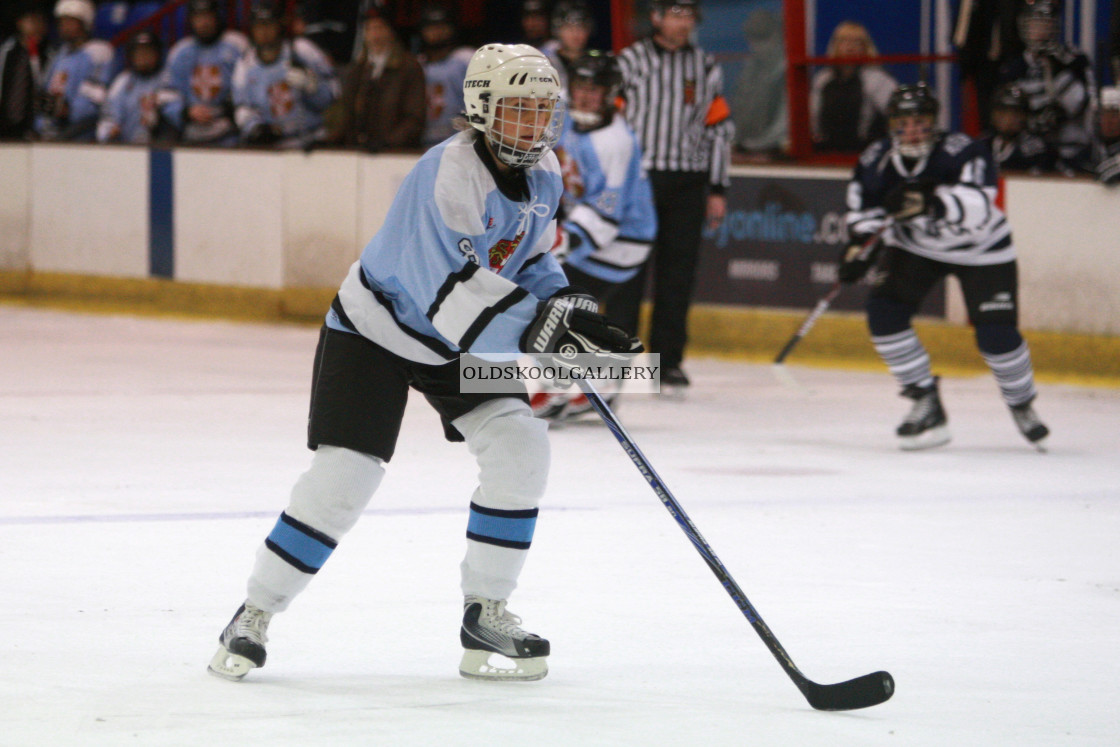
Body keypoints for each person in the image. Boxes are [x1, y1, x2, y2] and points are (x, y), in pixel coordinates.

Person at [207, 43, 641, 684]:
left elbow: (535, 260)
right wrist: (542, 334)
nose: (535, 125)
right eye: (520, 110)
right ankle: (254, 614)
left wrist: (568, 308)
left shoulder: (546, 173)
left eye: (543, 110)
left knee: (522, 446)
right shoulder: (446, 172)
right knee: (345, 476)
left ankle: (486, 612)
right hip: (376, 332)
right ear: (482, 109)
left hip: (455, 348)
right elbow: (449, 297)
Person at [839, 83, 1049, 450]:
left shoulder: (965, 151)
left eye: (921, 122)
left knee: (996, 336)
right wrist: (862, 245)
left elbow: (980, 204)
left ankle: (1021, 403)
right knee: (884, 314)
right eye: (903, 122)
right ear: (891, 124)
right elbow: (864, 210)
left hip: (982, 249)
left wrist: (933, 203)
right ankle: (925, 401)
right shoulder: (876, 159)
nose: (912, 130)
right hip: (917, 248)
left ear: (934, 123)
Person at [615, 0, 733, 392]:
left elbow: (718, 129)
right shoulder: (630, 61)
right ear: (656, 18)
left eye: (688, 16)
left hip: (687, 181)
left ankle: (668, 363)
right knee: (628, 270)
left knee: (677, 275)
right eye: (675, 14)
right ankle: (619, 360)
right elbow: (610, 121)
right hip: (639, 179)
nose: (683, 23)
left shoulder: (704, 64)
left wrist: (717, 187)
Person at [531, 51, 656, 420]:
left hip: (622, 241)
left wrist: (561, 242)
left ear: (610, 93)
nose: (586, 95)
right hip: (594, 231)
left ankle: (557, 388)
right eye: (581, 86)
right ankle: (601, 385)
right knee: (561, 300)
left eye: (595, 88)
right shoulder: (565, 119)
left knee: (557, 300)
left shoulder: (615, 141)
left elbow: (605, 215)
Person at [997, 0, 1094, 173]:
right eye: (1035, 23)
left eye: (1046, 23)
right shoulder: (1014, 68)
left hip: (1073, 148)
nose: (1040, 31)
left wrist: (1059, 112)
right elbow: (1006, 113)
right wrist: (1031, 121)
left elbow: (1086, 100)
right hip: (1032, 150)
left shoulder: (1073, 61)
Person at [232, 1, 338, 149]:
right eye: (259, 26)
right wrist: (257, 129)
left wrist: (312, 87)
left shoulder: (301, 50)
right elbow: (241, 108)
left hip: (311, 145)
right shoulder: (245, 64)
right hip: (270, 148)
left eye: (269, 25)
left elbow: (334, 94)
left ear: (279, 26)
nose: (264, 32)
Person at [326, 5, 425, 152]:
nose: (375, 35)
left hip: (396, 155)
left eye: (379, 28)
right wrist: (329, 140)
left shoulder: (408, 67)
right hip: (359, 154)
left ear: (391, 31)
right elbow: (346, 115)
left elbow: (414, 118)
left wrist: (388, 143)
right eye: (369, 29)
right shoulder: (357, 70)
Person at [160, 0, 249, 146]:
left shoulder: (237, 44)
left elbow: (250, 85)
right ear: (191, 20)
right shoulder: (180, 51)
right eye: (199, 17)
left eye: (208, 16)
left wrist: (231, 109)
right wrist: (186, 112)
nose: (204, 22)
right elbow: (167, 94)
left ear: (217, 17)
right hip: (191, 135)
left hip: (231, 134)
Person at [809, 21, 897, 153]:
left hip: (863, 150)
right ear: (835, 46)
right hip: (825, 151)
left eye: (857, 42)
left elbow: (897, 112)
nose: (850, 47)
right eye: (844, 41)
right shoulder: (823, 78)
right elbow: (813, 116)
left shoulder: (876, 78)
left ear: (865, 47)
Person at [34, 0, 112, 142]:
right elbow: (46, 93)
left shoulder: (98, 52)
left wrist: (68, 111)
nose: (65, 27)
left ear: (85, 23)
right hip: (52, 133)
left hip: (82, 134)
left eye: (71, 22)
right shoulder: (59, 55)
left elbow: (94, 100)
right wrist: (41, 123)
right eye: (62, 22)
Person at [97, 31, 175, 144]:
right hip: (126, 150)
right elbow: (109, 115)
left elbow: (174, 113)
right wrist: (109, 131)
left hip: (160, 149)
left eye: (148, 52)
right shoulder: (123, 81)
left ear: (157, 54)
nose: (143, 57)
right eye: (139, 53)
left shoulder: (167, 78)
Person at [730, 6, 787, 156]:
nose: (757, 46)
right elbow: (738, 110)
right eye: (753, 39)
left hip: (774, 154)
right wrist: (735, 142)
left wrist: (751, 147)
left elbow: (784, 124)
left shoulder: (787, 71)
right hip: (746, 152)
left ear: (778, 36)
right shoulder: (749, 69)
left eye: (764, 38)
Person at [415, 3, 472, 149]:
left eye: (441, 27)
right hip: (424, 143)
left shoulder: (465, 59)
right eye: (431, 28)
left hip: (462, 143)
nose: (436, 32)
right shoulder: (417, 64)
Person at [0, 2, 49, 140]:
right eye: (32, 20)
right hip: (6, 125)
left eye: (41, 21)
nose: (37, 26)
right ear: (20, 22)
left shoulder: (49, 53)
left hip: (33, 128)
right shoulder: (7, 51)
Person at [984, 82, 1055, 173]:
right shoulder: (983, 144)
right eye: (1002, 111)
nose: (1009, 118)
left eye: (1015, 112)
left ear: (1025, 116)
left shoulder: (1036, 150)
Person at [541, 0, 593, 91]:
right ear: (557, 30)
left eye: (581, 27)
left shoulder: (594, 63)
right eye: (569, 28)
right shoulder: (545, 63)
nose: (576, 34)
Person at [1091, 85, 1120, 185]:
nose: (1109, 121)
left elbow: (1105, 175)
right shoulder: (1091, 147)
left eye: (1114, 115)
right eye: (1105, 114)